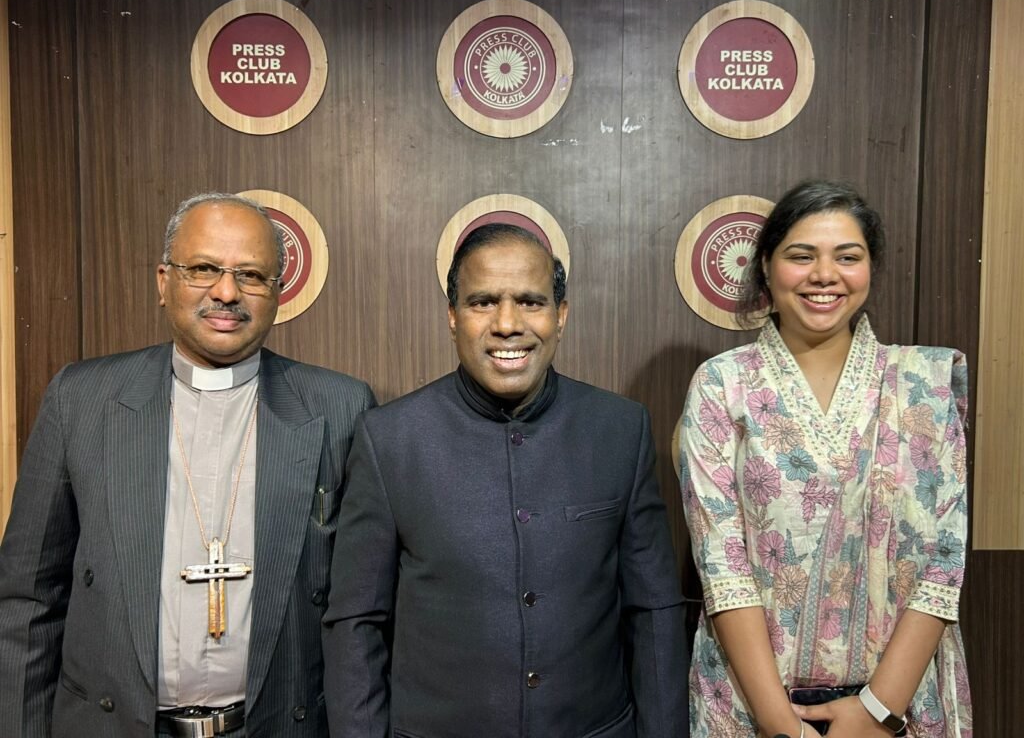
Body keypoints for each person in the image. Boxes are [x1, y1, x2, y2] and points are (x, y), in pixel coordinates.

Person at [0, 193, 376, 737]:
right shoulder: (81, 400)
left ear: (277, 294)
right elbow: (28, 603)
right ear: (163, 282)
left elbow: (363, 611)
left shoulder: (340, 407)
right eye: (203, 269)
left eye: (251, 276)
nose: (226, 293)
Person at [322, 224, 688, 738]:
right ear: (453, 316)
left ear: (561, 315)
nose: (508, 324)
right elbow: (356, 624)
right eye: (483, 302)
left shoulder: (621, 430)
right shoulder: (389, 439)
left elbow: (654, 614)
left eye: (530, 302)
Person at [679, 180, 972, 738]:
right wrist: (781, 726)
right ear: (766, 267)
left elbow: (944, 560)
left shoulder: (923, 385)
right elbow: (723, 567)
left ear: (870, 268)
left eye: (847, 257)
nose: (824, 275)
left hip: (898, 708)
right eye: (801, 256)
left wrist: (878, 711)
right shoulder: (723, 385)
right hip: (753, 707)